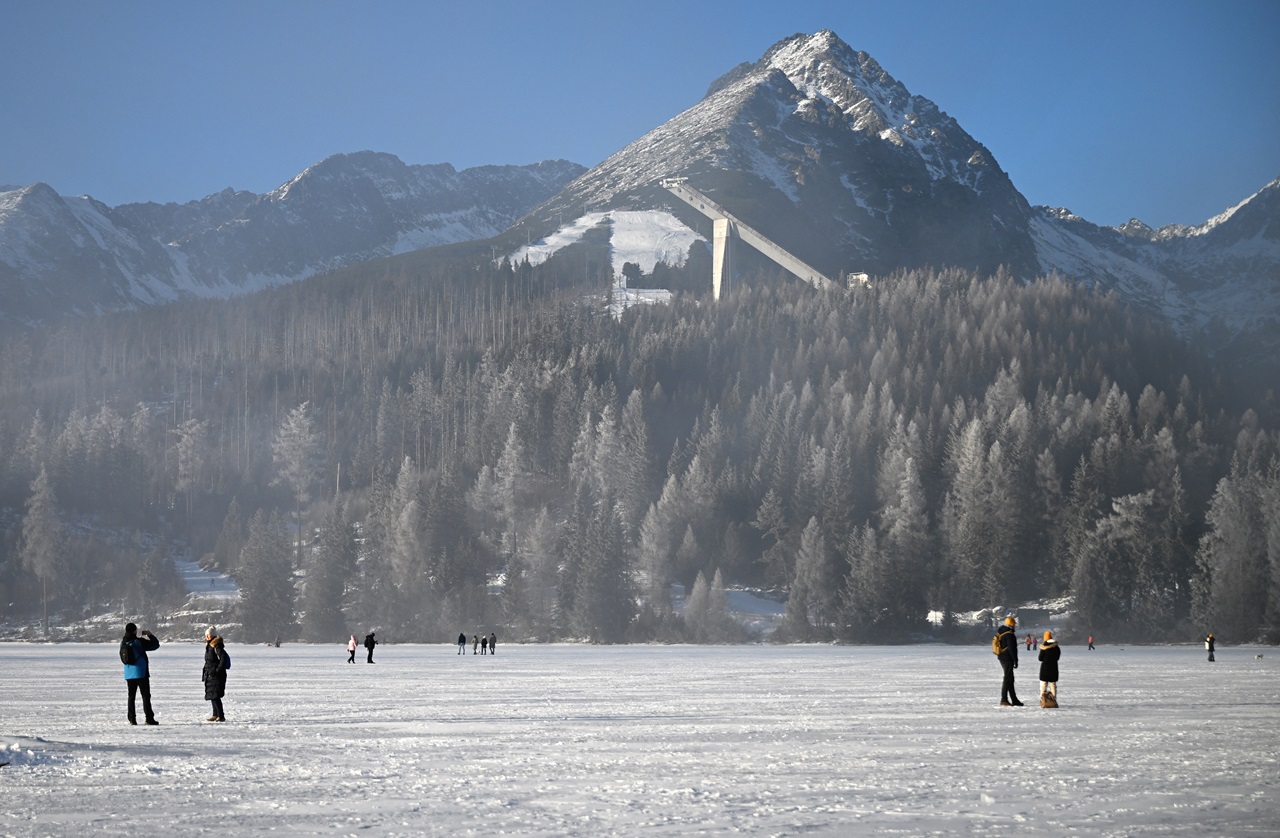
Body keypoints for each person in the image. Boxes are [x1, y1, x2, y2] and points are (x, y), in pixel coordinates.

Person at [121, 622, 161, 725]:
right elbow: (155, 645)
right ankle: (149, 718)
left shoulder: (123, 642)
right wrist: (150, 636)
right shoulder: (138, 641)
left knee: (131, 696)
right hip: (141, 672)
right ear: (134, 631)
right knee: (145, 696)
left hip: (129, 673)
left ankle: (132, 719)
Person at [202, 626, 228, 722]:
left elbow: (223, 659)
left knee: (215, 695)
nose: (208, 636)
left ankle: (221, 716)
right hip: (210, 674)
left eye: (209, 635)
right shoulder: (209, 646)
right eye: (207, 635)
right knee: (212, 695)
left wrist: (217, 670)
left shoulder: (217, 646)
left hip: (217, 675)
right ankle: (215, 714)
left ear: (213, 635)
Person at [996, 615, 1023, 706]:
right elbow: (1012, 649)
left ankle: (1014, 699)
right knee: (1007, 678)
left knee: (1010, 678)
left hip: (1002, 658)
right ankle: (1004, 700)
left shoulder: (1002, 632)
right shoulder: (1009, 635)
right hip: (1007, 658)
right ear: (1012, 625)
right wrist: (1015, 660)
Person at [1038, 630, 1060, 707]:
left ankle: (1043, 701)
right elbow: (1057, 657)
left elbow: (1040, 658)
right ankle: (1053, 701)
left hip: (1044, 668)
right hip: (1053, 668)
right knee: (1053, 685)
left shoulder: (1043, 647)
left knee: (1043, 685)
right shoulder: (1056, 647)